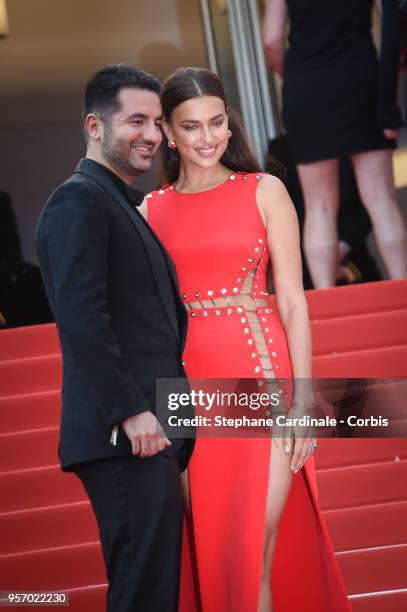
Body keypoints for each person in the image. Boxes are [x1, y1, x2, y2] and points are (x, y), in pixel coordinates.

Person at [141, 67, 351, 612]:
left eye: (217, 123)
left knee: (252, 548)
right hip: (187, 395)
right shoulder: (149, 211)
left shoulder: (265, 190)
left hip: (263, 379)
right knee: (215, 552)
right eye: (191, 127)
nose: (207, 138)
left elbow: (292, 301)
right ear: (168, 132)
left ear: (230, 127)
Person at [35, 64, 194, 612]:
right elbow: (82, 316)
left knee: (150, 585)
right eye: (135, 120)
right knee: (143, 590)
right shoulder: (79, 200)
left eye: (156, 121)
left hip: (150, 425)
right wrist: (130, 411)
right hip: (126, 431)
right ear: (95, 127)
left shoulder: (120, 203)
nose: (152, 133)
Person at [263, 0, 407, 288]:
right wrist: (388, 96)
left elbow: (271, 40)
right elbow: (392, 29)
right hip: (359, 80)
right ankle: (403, 289)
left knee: (319, 206)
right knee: (381, 200)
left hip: (307, 84)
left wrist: (294, 76)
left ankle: (326, 299)